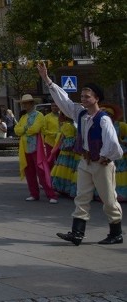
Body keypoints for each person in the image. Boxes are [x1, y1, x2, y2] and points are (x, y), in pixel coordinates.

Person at [38, 63, 122, 246]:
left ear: (96, 98)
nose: (83, 99)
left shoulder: (103, 119)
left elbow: (113, 142)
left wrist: (106, 156)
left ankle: (116, 233)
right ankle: (77, 234)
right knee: (81, 196)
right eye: (82, 96)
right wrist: (47, 80)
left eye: (87, 96)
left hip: (101, 164)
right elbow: (64, 101)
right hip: (85, 162)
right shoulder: (81, 114)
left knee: (108, 199)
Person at [15, 93, 58, 204]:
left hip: (37, 148)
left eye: (26, 103)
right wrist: (25, 129)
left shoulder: (39, 115)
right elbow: (16, 130)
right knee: (29, 172)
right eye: (23, 103)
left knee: (42, 171)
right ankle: (34, 193)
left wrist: (24, 130)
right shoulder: (23, 117)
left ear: (32, 103)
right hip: (25, 148)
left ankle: (51, 195)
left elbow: (35, 129)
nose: (24, 105)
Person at [50, 111, 80, 198]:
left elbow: (69, 141)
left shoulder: (66, 125)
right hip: (70, 152)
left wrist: (63, 144)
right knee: (68, 171)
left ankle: (63, 188)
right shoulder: (71, 124)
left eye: (61, 114)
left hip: (67, 153)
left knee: (65, 170)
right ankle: (66, 189)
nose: (59, 116)